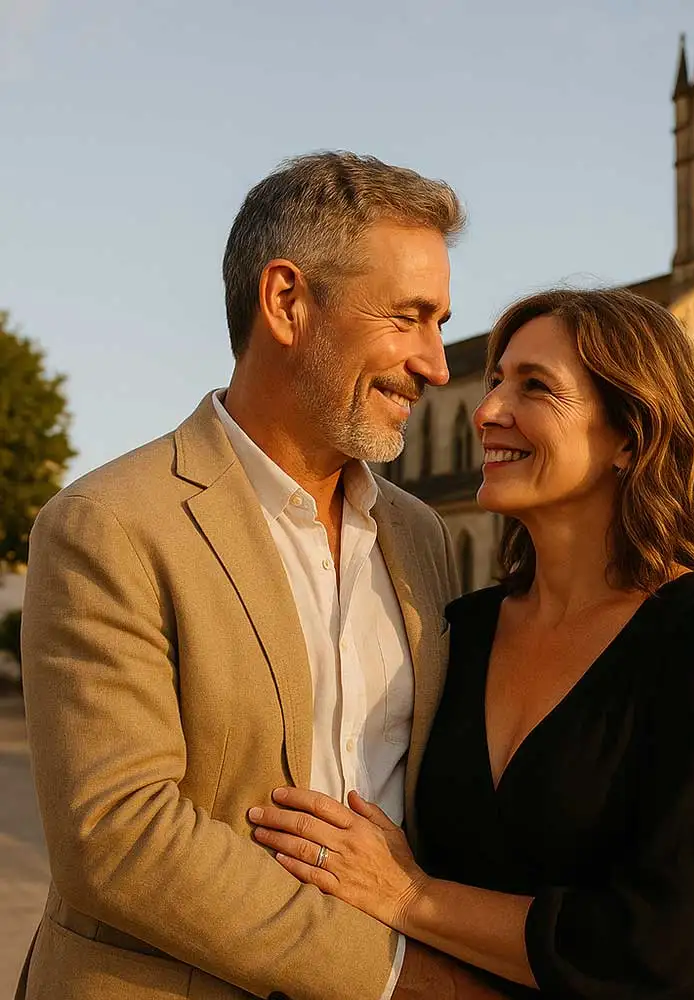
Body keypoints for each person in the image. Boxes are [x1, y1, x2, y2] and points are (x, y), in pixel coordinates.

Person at [17, 152, 510, 1000]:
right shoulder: (109, 523)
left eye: (442, 323)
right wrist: (408, 980)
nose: (437, 365)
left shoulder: (418, 534)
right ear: (287, 302)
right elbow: (120, 838)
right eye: (408, 318)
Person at [250, 288, 694, 998]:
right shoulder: (457, 630)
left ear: (630, 434)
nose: (485, 411)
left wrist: (414, 897)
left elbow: (682, 943)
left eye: (534, 387)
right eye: (498, 379)